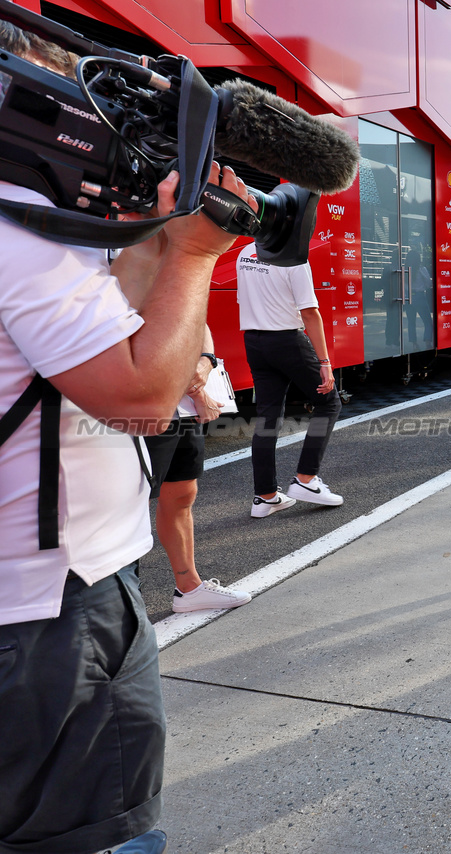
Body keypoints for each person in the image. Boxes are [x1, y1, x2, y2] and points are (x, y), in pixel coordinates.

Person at [1, 23, 260, 854]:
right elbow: (144, 398)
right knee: (101, 837)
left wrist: (156, 239)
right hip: (50, 612)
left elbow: (104, 326)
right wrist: (194, 255)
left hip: (43, 598)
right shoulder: (20, 232)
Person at [141, 331, 251, 613]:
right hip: (146, 401)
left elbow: (198, 321)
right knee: (130, 501)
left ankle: (189, 588)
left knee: (181, 493)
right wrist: (199, 390)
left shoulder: (183, 285)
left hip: (183, 407)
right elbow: (149, 337)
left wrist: (207, 359)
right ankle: (122, 600)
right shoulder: (134, 285)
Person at [238, 243, 344, 516]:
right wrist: (325, 362)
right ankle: (306, 479)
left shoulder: (245, 253)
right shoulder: (292, 257)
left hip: (254, 341)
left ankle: (265, 497)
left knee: (267, 418)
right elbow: (309, 312)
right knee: (329, 403)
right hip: (287, 339)